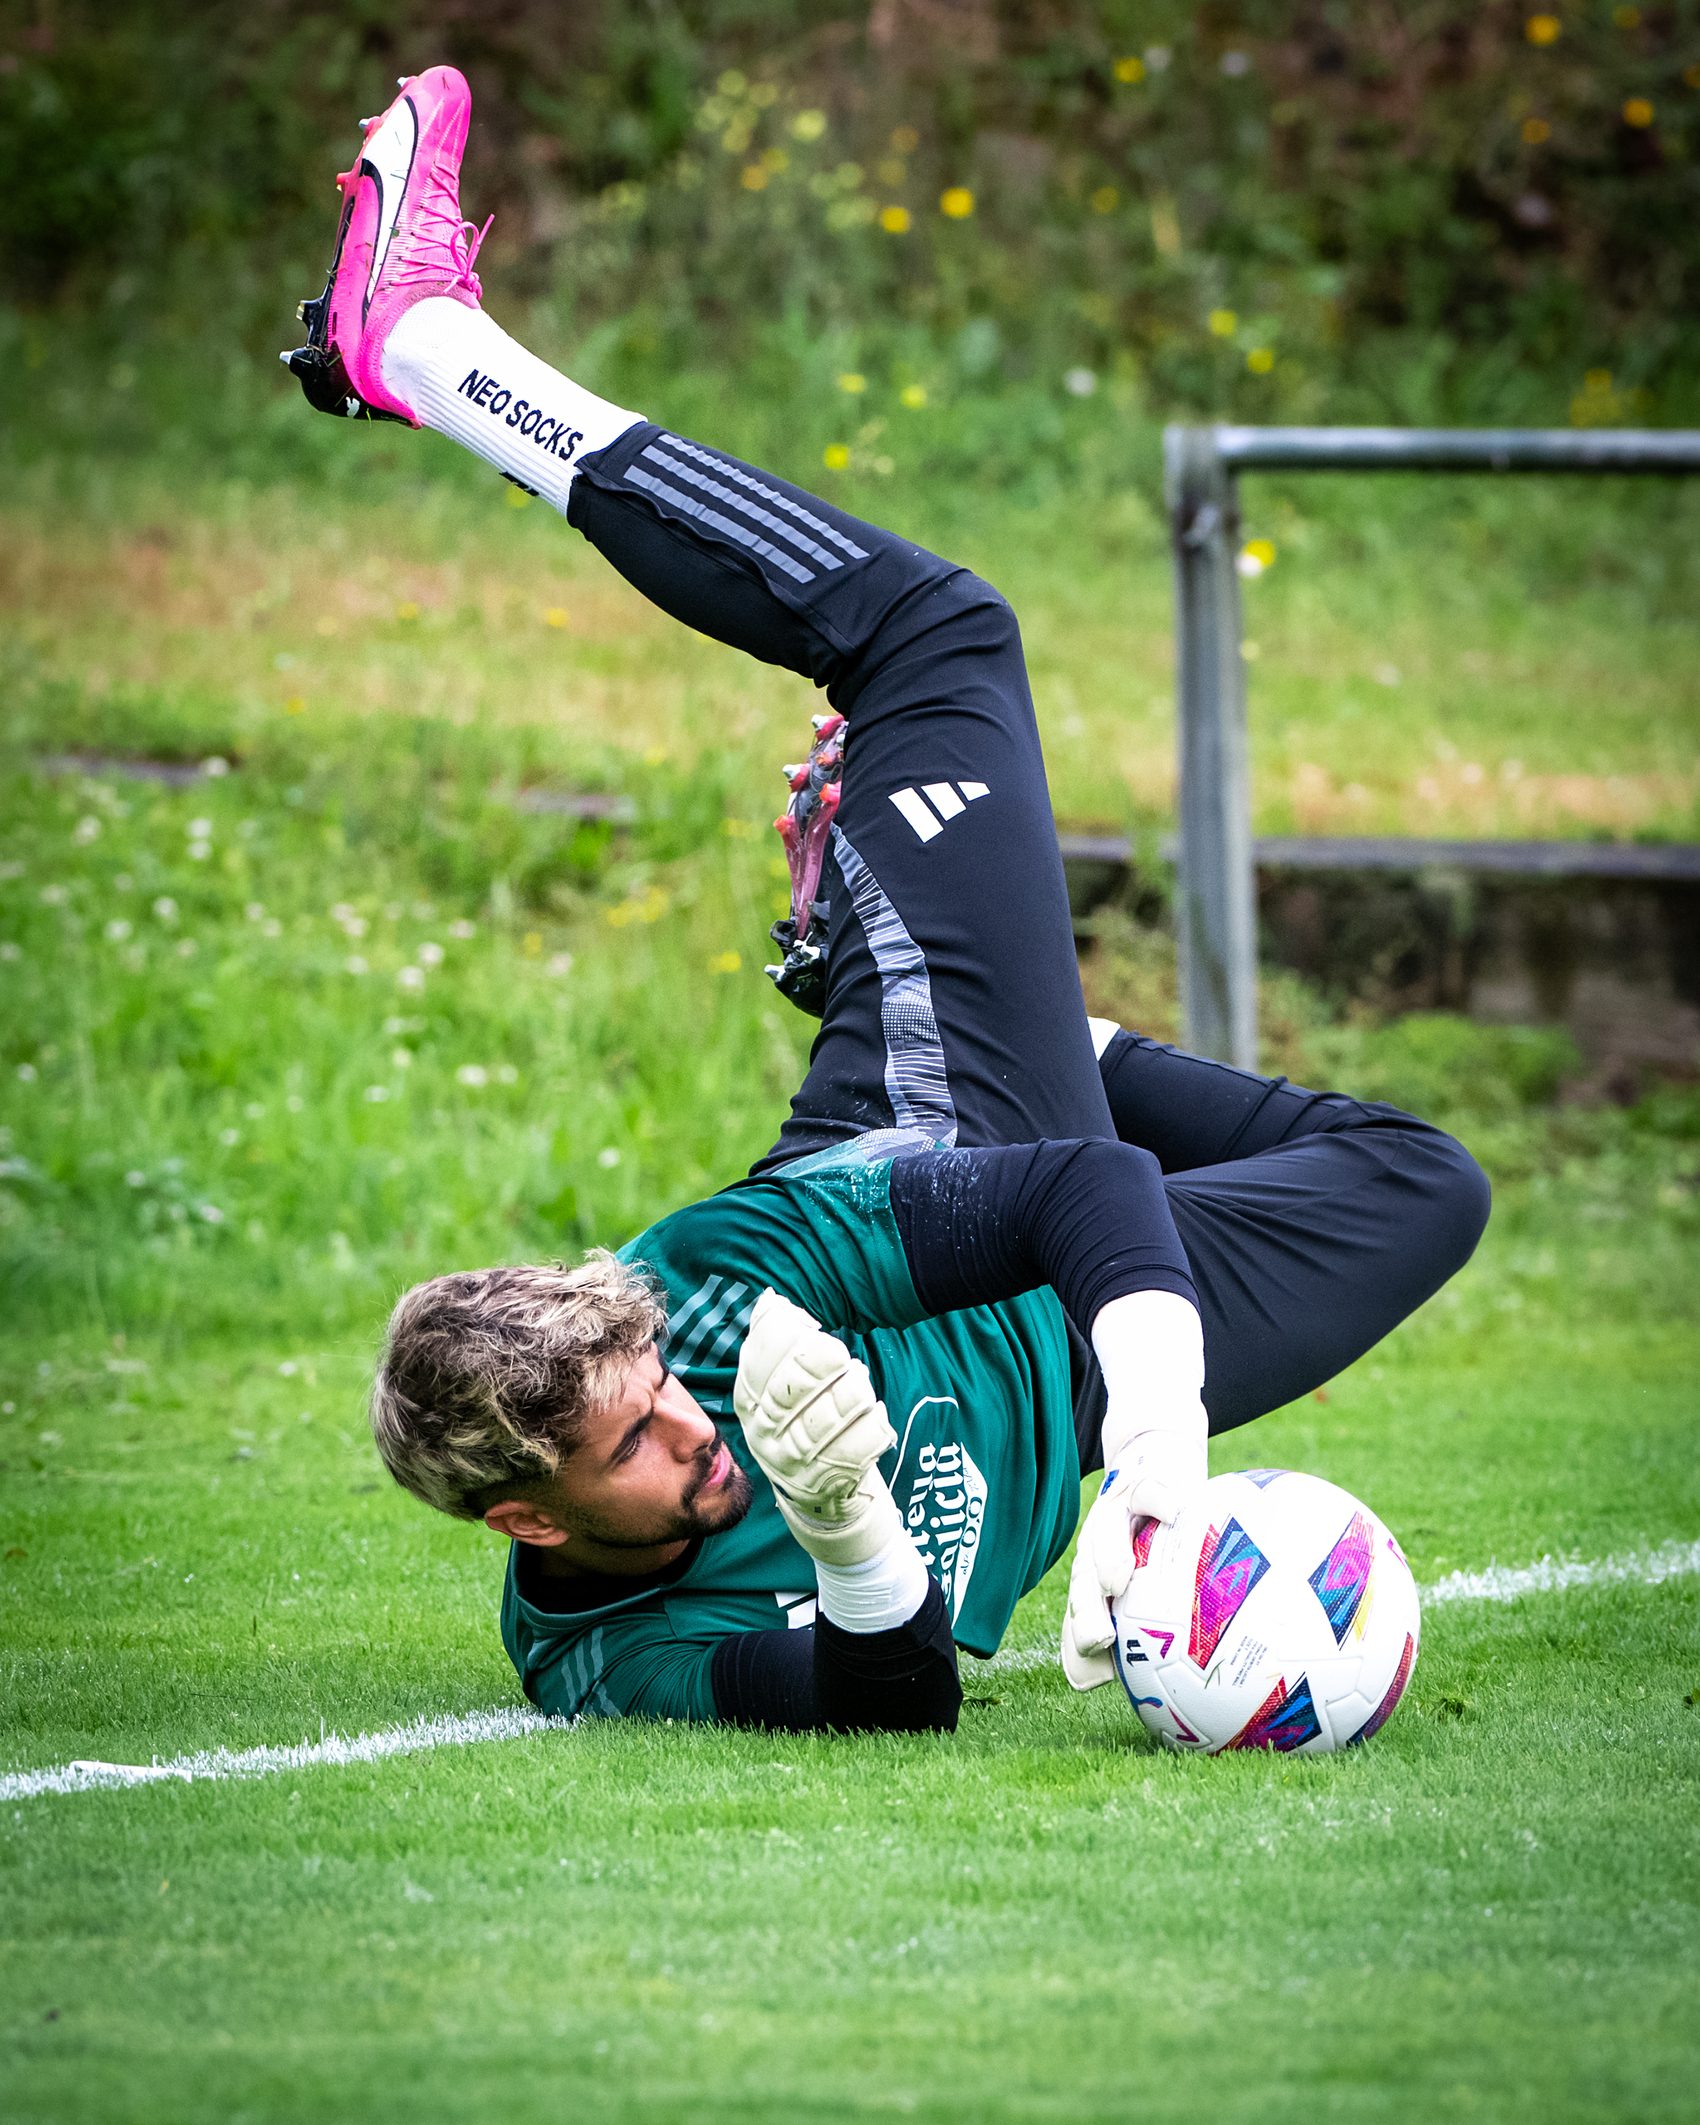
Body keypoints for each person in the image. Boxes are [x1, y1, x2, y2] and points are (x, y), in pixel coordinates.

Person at [292, 68, 1490, 1738]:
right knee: (1423, 1182)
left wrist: (1160, 1455)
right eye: (636, 1442)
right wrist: (850, 1521)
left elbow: (1084, 1184)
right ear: (529, 1520)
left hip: (963, 1140)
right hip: (1058, 1375)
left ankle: (424, 343)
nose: (692, 1421)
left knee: (934, 634)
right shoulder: (598, 1661)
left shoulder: (706, 1286)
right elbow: (892, 1697)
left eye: (663, 1392)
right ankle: (913, 952)